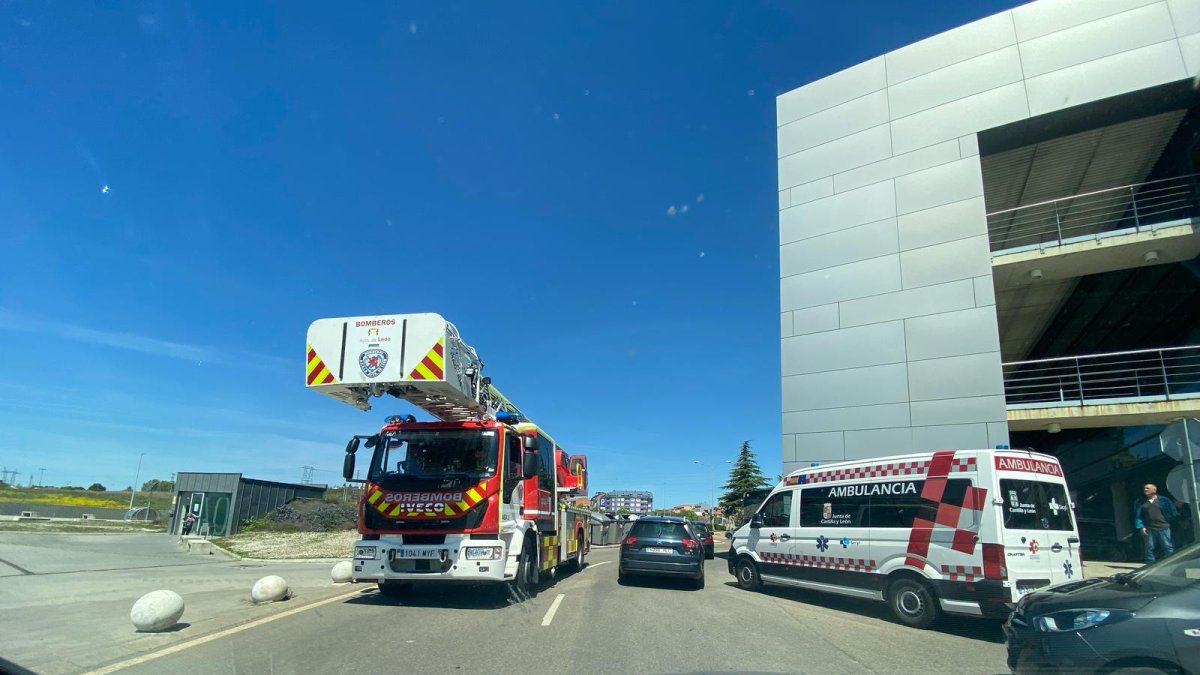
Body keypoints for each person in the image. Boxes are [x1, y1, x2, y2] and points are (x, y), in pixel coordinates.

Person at [1134, 483, 1179, 563]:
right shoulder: (1140, 502)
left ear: (1154, 490)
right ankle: (1149, 563)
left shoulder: (1164, 500)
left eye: (1147, 488)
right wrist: (1141, 527)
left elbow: (1173, 512)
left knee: (1167, 546)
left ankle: (1172, 562)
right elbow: (1138, 516)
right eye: (1144, 488)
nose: (1145, 490)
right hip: (1149, 528)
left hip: (1163, 527)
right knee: (1149, 548)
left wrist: (1170, 520)